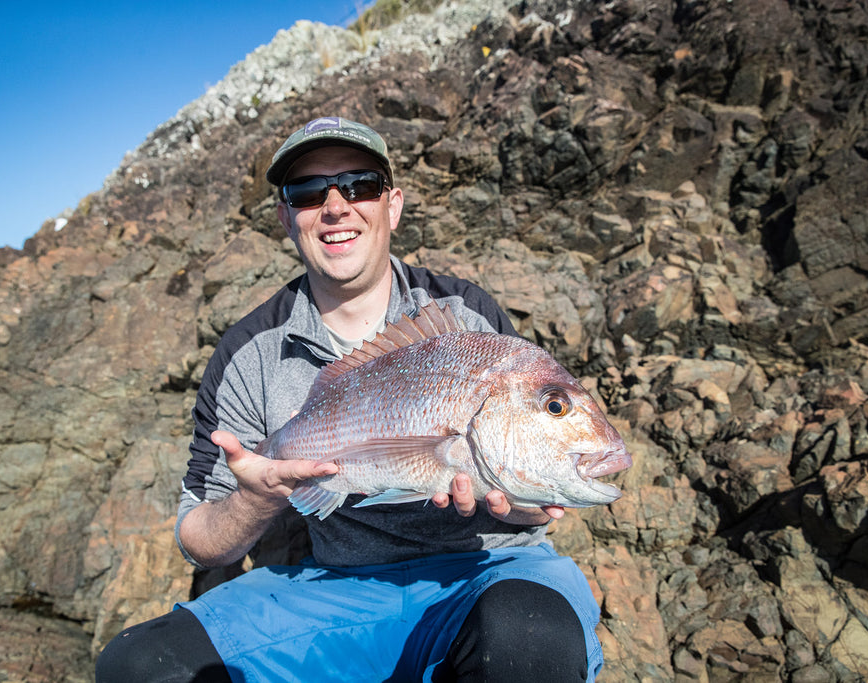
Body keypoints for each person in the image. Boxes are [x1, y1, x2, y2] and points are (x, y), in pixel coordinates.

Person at [96, 117, 603, 682]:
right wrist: (256, 500)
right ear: (287, 216)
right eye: (309, 193)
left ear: (393, 205)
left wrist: (526, 500)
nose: (335, 207)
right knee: (138, 667)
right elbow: (198, 539)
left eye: (359, 185)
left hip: (487, 574)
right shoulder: (248, 354)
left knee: (526, 641)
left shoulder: (465, 317)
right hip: (339, 589)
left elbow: (529, 497)